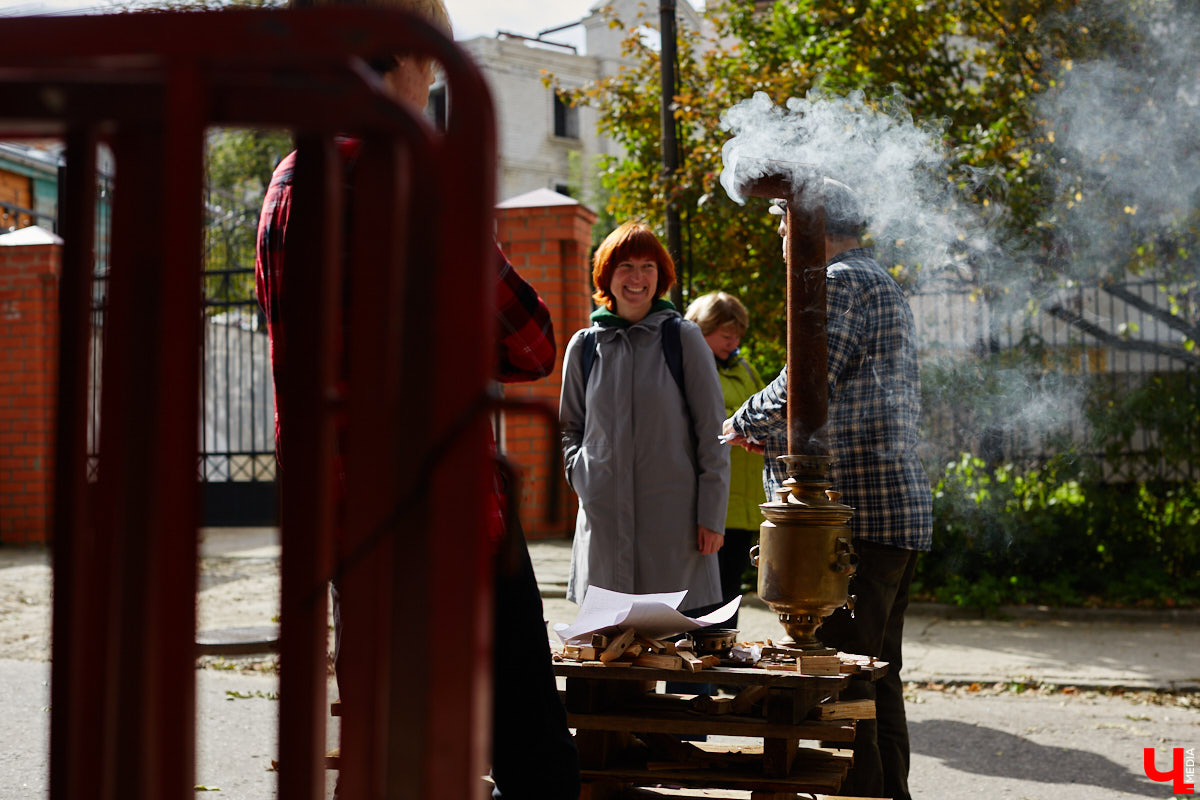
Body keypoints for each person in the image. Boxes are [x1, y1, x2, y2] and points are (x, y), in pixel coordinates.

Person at [254, 2, 579, 798]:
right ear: (398, 53)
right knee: (533, 760)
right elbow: (533, 343)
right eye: (428, 61)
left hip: (343, 525)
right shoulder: (417, 175)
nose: (434, 78)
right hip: (451, 520)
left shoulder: (286, 183)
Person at [721, 179, 932, 800]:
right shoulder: (876, 277)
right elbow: (845, 400)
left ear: (812, 225)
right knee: (876, 679)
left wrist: (740, 422)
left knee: (847, 683)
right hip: (887, 514)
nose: (782, 235)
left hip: (853, 522)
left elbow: (806, 381)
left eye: (785, 222)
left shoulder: (839, 280)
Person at [559, 221, 730, 618]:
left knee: (683, 658)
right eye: (626, 266)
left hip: (675, 529)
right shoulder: (584, 346)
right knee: (609, 660)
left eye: (648, 266)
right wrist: (584, 477)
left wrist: (711, 517)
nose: (637, 278)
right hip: (603, 525)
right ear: (606, 275)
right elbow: (571, 427)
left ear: (661, 276)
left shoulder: (682, 337)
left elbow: (712, 433)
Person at [683, 291, 765, 630]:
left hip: (742, 507)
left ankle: (723, 665)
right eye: (726, 334)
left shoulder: (743, 367)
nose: (734, 342)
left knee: (730, 594)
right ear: (701, 328)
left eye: (738, 335)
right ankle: (698, 678)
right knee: (701, 599)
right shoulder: (691, 367)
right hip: (711, 506)